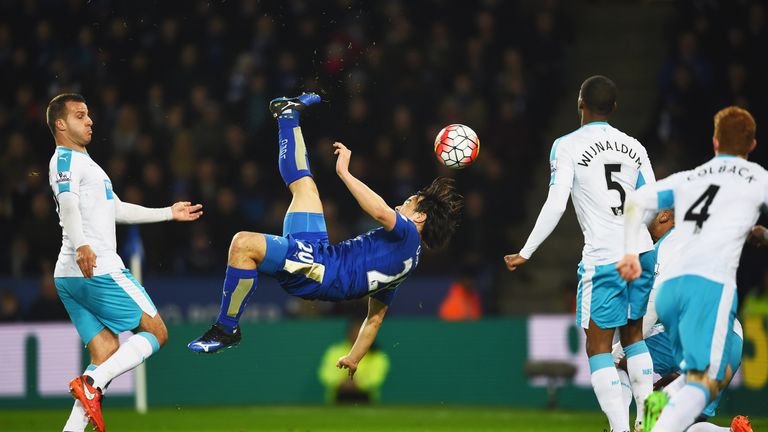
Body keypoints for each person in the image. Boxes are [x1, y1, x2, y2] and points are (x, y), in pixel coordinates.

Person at [188, 93, 462, 379]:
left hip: (318, 271)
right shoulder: (404, 264)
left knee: (242, 244)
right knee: (305, 187)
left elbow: (380, 211)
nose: (399, 205)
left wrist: (344, 172)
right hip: (321, 256)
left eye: (408, 203)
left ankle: (226, 328)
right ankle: (288, 115)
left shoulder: (407, 235)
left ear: (419, 217)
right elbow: (375, 318)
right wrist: (354, 357)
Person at [504, 75, 657, 432]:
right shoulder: (634, 145)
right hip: (642, 254)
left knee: (598, 346)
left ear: (580, 105)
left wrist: (527, 250)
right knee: (634, 335)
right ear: (614, 108)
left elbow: (557, 202)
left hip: (604, 257)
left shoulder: (566, 145)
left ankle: (620, 429)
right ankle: (647, 423)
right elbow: (652, 200)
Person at [46, 94, 203, 432]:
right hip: (96, 267)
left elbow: (115, 209)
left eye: (88, 115)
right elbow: (68, 205)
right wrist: (83, 244)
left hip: (70, 277)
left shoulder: (86, 164)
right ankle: (94, 384)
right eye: (80, 116)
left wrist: (167, 213)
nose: (90, 121)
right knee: (157, 332)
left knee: (104, 350)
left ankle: (73, 427)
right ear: (60, 123)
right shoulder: (65, 162)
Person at [618, 106, 768, 432]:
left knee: (678, 403)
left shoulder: (690, 178)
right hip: (709, 294)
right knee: (693, 393)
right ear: (753, 146)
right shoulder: (757, 178)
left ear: (715, 142)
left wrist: (630, 253)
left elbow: (636, 201)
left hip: (673, 295)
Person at [612, 210, 750, 432]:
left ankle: (625, 427)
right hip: (732, 339)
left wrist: (621, 350)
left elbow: (653, 305)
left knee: (615, 360)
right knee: (685, 425)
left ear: (665, 215)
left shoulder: (667, 245)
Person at [317, 318, 390, 403]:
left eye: (361, 333)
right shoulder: (334, 351)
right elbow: (326, 374)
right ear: (348, 333)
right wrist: (341, 383)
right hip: (338, 397)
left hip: (366, 398)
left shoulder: (377, 355)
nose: (356, 335)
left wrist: (358, 384)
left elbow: (376, 378)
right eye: (354, 331)